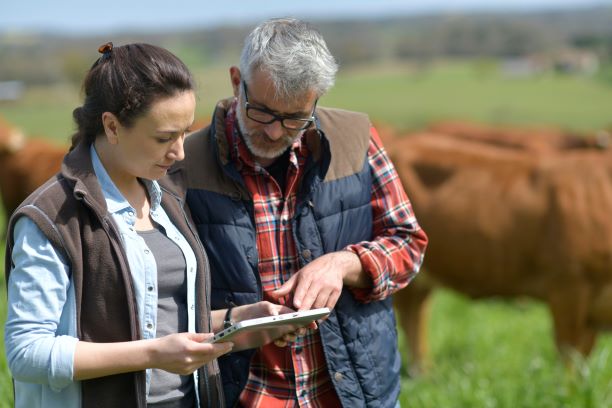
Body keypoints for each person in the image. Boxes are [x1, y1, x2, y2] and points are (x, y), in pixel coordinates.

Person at [4, 42, 296, 408]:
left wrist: (241, 322)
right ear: (111, 126)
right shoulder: (51, 216)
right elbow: (26, 352)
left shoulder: (166, 195)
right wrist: (153, 355)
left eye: (184, 132)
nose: (180, 152)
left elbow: (158, 321)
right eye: (163, 138)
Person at [170, 18, 429, 407]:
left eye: (294, 118)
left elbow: (408, 245)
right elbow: (159, 299)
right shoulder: (183, 165)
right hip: (242, 395)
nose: (275, 132)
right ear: (236, 82)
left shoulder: (355, 138)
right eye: (262, 113)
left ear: (316, 99)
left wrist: (343, 264)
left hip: (353, 391)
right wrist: (238, 323)